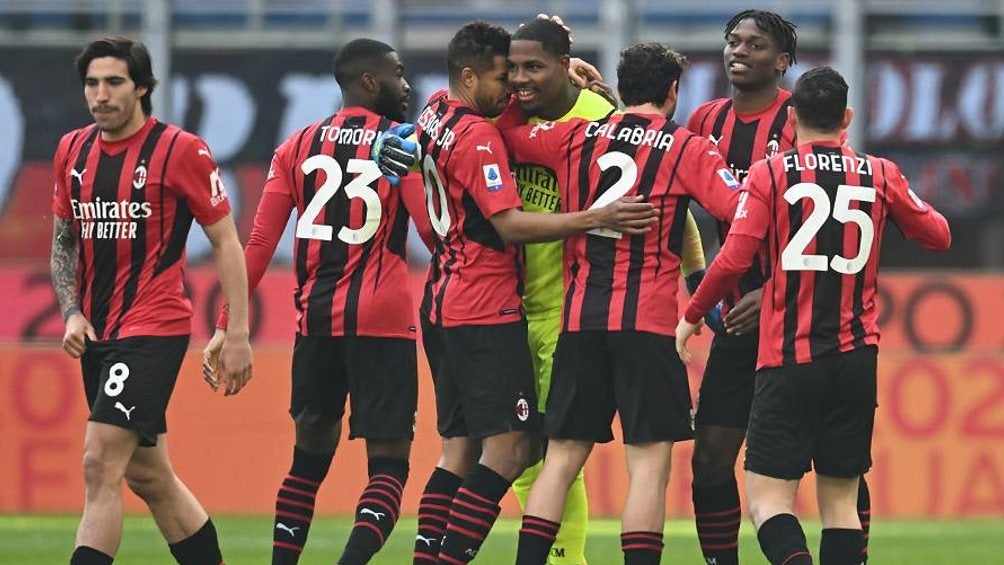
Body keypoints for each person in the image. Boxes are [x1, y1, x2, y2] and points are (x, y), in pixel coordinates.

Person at [404, 21, 658, 565]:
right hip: (488, 305)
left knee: (465, 450)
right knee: (522, 449)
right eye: (506, 74)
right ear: (471, 77)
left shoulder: (435, 111)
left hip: (449, 297)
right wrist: (596, 216)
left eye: (526, 70)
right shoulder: (481, 133)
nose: (514, 86)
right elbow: (510, 224)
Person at [677, 66, 951, 565]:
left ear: (794, 116)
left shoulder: (771, 173)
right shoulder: (881, 173)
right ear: (847, 117)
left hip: (787, 357)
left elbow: (735, 258)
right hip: (855, 358)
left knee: (766, 498)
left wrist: (693, 313)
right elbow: (939, 235)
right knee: (842, 502)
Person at [499, 42, 742, 565]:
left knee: (560, 458)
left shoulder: (575, 136)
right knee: (649, 467)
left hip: (580, 320)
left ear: (620, 84)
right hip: (647, 326)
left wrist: (527, 95)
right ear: (674, 91)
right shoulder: (687, 147)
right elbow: (736, 211)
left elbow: (509, 133)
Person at [201, 38, 431, 565]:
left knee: (306, 464)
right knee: (390, 467)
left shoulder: (296, 146)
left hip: (317, 324)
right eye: (397, 74)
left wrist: (225, 324)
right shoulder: (403, 144)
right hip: (384, 321)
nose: (406, 84)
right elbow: (428, 233)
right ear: (369, 81)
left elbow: (257, 245)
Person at [50, 37, 252, 565]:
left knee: (98, 464)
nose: (101, 94)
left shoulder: (181, 150)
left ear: (142, 86)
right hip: (98, 332)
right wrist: (71, 311)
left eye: (114, 82)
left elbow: (227, 242)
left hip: (152, 329)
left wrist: (236, 333)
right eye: (92, 83)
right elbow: (64, 241)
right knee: (148, 475)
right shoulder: (72, 150)